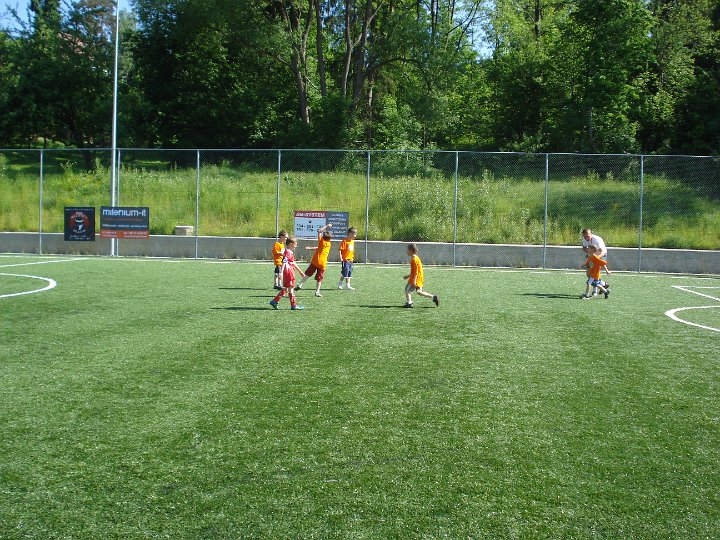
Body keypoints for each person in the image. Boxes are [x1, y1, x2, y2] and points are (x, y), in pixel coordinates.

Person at [295, 223, 332, 297]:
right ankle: (317, 291)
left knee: (307, 274)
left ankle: (300, 284)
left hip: (315, 261)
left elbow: (319, 231)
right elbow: (320, 248)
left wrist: (327, 226)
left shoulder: (321, 241)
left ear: (323, 237)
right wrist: (311, 248)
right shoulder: (329, 244)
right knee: (319, 278)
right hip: (322, 264)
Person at [270, 237, 305, 310]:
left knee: (286, 289)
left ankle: (275, 301)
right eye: (295, 244)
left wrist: (300, 271)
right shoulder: (288, 252)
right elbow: (284, 261)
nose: (296, 246)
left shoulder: (288, 252)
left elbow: (293, 262)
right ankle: (294, 305)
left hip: (287, 272)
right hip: (289, 272)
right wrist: (281, 272)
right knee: (291, 289)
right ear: (291, 244)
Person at [403, 243, 439, 308]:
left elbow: (415, 272)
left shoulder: (413, 259)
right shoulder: (416, 258)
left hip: (415, 278)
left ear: (410, 250)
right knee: (419, 292)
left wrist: (414, 281)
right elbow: (415, 271)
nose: (406, 251)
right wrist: (408, 276)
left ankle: (409, 303)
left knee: (407, 290)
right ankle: (433, 297)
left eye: (407, 250)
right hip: (419, 278)